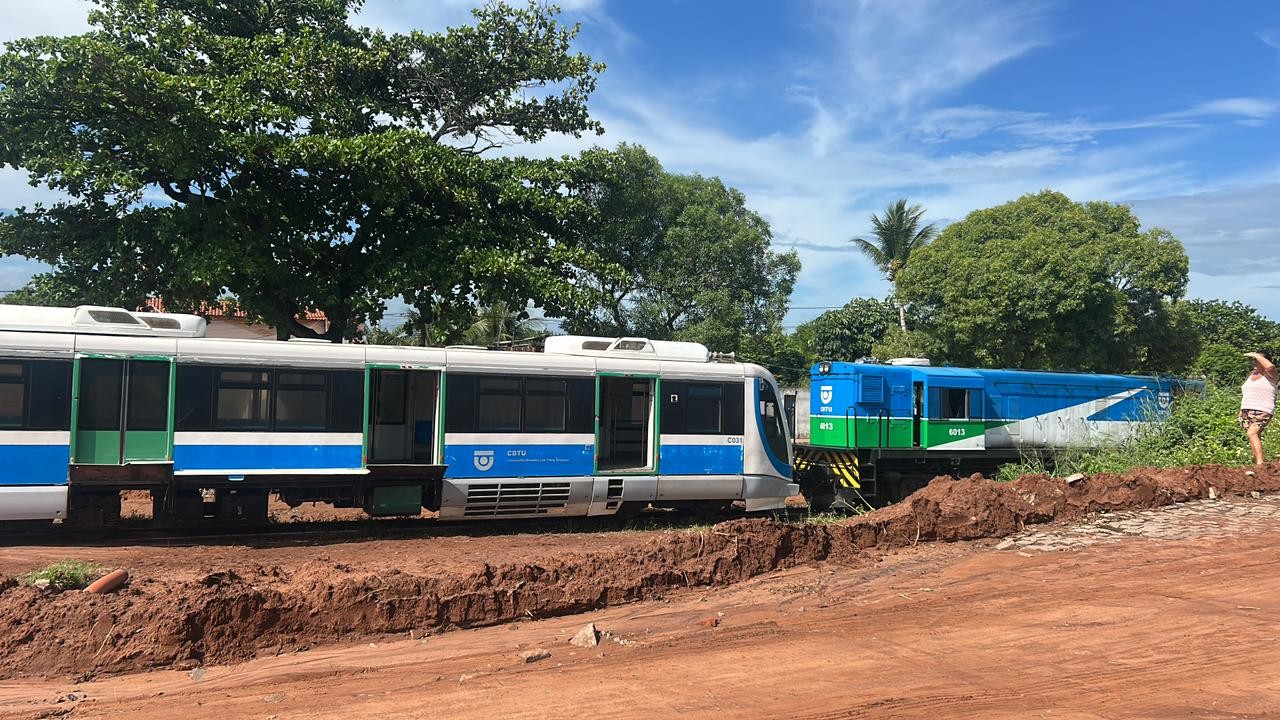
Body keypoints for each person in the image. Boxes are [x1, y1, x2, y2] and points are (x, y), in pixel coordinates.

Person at [1240, 350, 1278, 465]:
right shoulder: (1252, 375)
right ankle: (1257, 461)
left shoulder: (1271, 375)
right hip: (1247, 409)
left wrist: (1256, 355)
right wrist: (1241, 410)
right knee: (1254, 435)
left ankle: (1260, 464)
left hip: (1263, 409)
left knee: (1252, 433)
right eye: (1254, 360)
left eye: (1257, 360)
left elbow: (1270, 366)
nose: (1254, 362)